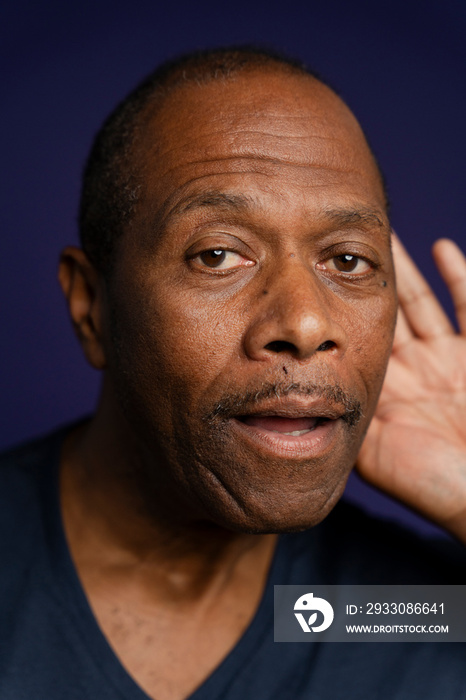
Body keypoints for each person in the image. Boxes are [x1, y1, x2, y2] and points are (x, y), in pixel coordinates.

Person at [0, 46, 465, 700]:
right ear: (91, 307)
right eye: (217, 255)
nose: (306, 324)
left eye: (350, 261)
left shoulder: (399, 615)